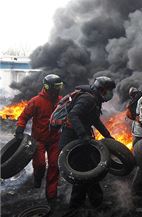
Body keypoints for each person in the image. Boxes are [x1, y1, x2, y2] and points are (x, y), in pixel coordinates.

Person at [59, 76, 115, 209]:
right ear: (101, 90)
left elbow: (95, 120)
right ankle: (76, 205)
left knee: (90, 169)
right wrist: (83, 135)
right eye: (109, 90)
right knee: (82, 172)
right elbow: (73, 115)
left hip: (82, 140)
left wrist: (108, 136)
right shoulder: (87, 98)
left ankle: (96, 200)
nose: (111, 93)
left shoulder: (95, 99)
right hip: (73, 141)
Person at [15, 74, 63, 209]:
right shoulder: (36, 101)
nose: (58, 90)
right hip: (39, 140)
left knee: (54, 166)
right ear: (47, 87)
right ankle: (37, 178)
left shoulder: (61, 101)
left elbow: (68, 116)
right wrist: (20, 128)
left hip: (55, 140)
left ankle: (51, 196)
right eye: (56, 87)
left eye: (60, 87)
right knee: (40, 164)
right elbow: (24, 117)